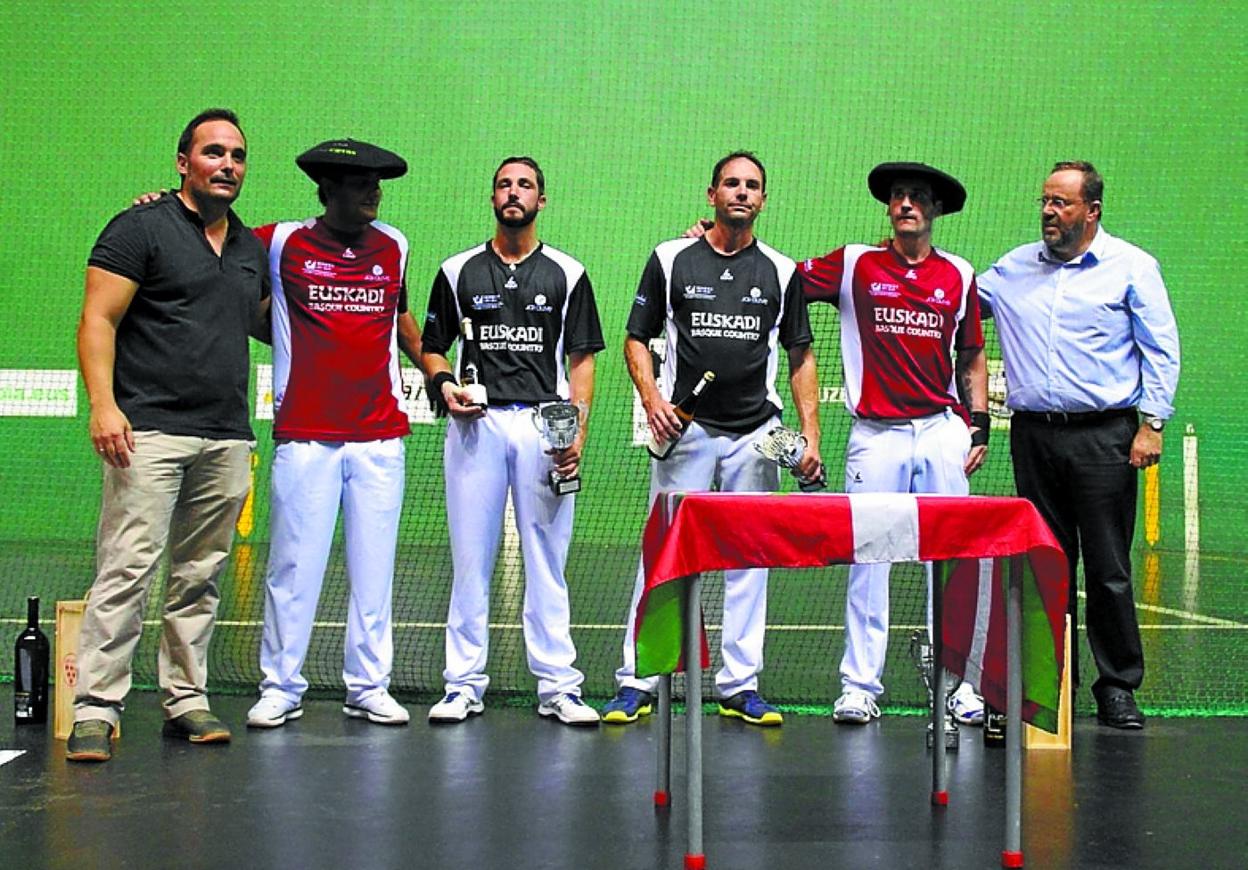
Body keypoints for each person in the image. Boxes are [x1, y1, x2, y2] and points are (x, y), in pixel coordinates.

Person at [69, 109, 269, 762]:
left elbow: (269, 323)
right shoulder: (140, 227)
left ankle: (186, 698)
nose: (228, 165)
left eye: (237, 155)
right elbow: (98, 319)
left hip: (225, 437)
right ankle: (96, 708)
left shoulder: (249, 249)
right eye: (214, 152)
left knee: (200, 576)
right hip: (147, 431)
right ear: (184, 162)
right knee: (127, 569)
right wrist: (104, 406)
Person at [602, 151, 822, 728]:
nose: (741, 192)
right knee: (664, 553)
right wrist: (652, 401)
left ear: (763, 199)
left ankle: (739, 684)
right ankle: (638, 679)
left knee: (750, 558)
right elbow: (636, 337)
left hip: (758, 434)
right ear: (712, 194)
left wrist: (810, 435)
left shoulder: (781, 271)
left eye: (752, 185)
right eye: (731, 183)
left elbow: (801, 355)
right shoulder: (670, 259)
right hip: (688, 432)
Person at [978, 161, 1180, 730]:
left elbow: (1161, 349)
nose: (1048, 212)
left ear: (1091, 211)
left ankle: (1117, 686)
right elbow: (951, 301)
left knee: (1109, 568)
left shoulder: (1132, 267)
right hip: (1034, 436)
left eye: (1061, 203)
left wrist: (1152, 424)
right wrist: (901, 263)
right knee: (1045, 565)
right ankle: (1050, 688)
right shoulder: (1013, 268)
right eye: (1045, 201)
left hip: (1105, 437)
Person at [798, 163, 989, 727]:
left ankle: (962, 685)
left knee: (954, 560)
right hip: (875, 435)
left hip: (940, 430)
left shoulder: (958, 273)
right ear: (889, 208)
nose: (906, 204)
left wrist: (977, 423)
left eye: (918, 197)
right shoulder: (854, 263)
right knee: (869, 559)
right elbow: (780, 280)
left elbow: (972, 353)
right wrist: (712, 244)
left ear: (935, 210)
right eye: (899, 196)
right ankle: (859, 687)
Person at [243, 139, 423, 729]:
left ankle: (368, 686)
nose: (374, 193)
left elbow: (399, 320)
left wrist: (436, 370)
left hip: (379, 437)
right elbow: (210, 242)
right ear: (327, 190)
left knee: (374, 573)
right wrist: (163, 202)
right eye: (361, 183)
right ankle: (280, 686)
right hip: (305, 436)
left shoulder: (394, 245)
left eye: (377, 183)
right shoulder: (279, 242)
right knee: (292, 570)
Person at [421, 156, 604, 726]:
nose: (513, 192)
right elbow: (433, 347)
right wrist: (444, 383)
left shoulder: (568, 273)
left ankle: (559, 686)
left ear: (540, 200)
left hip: (543, 428)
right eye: (504, 184)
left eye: (524, 185)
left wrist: (576, 432)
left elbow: (582, 361)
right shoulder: (457, 271)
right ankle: (462, 684)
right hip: (475, 427)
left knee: (547, 560)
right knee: (469, 559)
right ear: (493, 197)